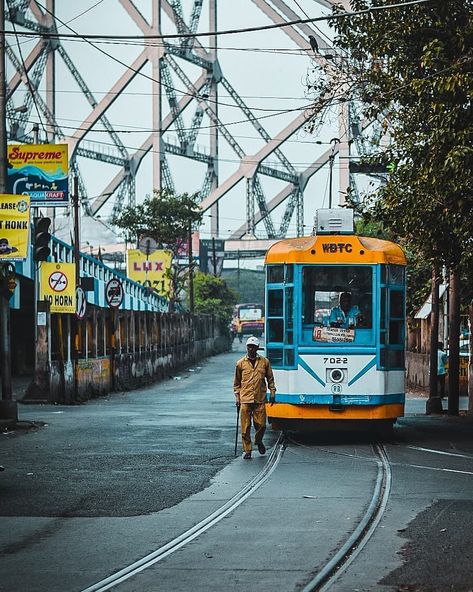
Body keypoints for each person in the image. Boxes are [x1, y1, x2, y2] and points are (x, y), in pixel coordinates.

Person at [233, 336, 276, 460]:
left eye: (253, 347)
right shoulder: (240, 363)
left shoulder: (265, 362)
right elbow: (237, 383)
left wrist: (272, 392)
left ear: (257, 348)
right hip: (245, 399)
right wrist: (237, 397)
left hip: (260, 398)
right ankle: (247, 450)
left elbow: (270, 379)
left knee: (261, 425)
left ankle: (258, 441)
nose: (250, 349)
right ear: (246, 347)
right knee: (245, 428)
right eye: (249, 346)